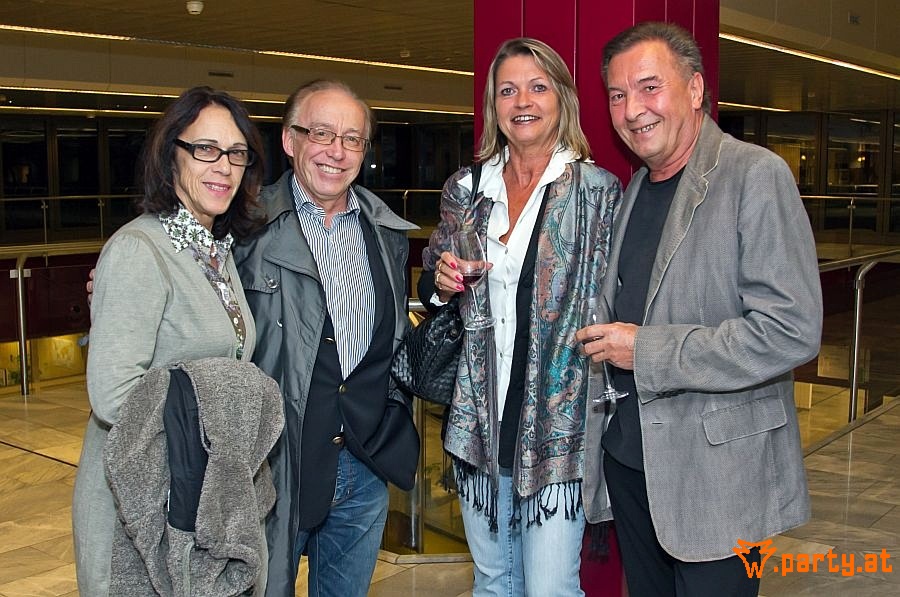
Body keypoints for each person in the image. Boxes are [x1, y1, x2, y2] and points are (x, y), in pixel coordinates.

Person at [578, 22, 823, 596]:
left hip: (719, 480)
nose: (632, 110)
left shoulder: (755, 175)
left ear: (695, 89)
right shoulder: (637, 188)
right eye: (617, 95)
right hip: (632, 465)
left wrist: (647, 350)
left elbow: (790, 330)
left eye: (649, 87)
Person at [421, 38, 622, 596]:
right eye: (508, 90)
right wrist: (441, 281)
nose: (523, 101)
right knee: (493, 583)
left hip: (558, 425)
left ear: (562, 98)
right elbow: (433, 276)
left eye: (538, 87)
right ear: (494, 105)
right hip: (480, 421)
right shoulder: (468, 189)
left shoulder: (596, 193)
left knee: (550, 587)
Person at [73, 86, 268, 595]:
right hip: (139, 509)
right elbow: (113, 395)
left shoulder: (215, 251)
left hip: (198, 496)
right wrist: (227, 407)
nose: (223, 166)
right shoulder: (139, 249)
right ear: (170, 156)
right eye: (205, 149)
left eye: (237, 153)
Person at [234, 79, 420, 596]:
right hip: (276, 470)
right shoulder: (245, 228)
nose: (337, 151)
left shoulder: (385, 231)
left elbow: (390, 344)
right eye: (321, 133)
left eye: (352, 138)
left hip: (363, 466)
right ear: (289, 140)